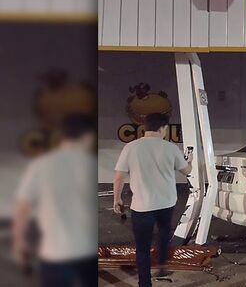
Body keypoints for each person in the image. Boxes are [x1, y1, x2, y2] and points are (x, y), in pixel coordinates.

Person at [12, 115, 98, 287]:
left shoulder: (40, 164)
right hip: (88, 251)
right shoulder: (91, 164)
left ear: (62, 136)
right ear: (88, 136)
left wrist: (19, 242)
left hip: (54, 252)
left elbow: (22, 205)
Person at [113, 113, 193, 287]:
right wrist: (190, 161)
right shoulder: (170, 148)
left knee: (142, 248)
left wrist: (117, 199)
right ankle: (162, 263)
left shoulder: (131, 147)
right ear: (163, 128)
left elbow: (119, 177)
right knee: (164, 232)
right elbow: (187, 171)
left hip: (141, 206)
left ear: (145, 127)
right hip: (167, 202)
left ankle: (145, 283)